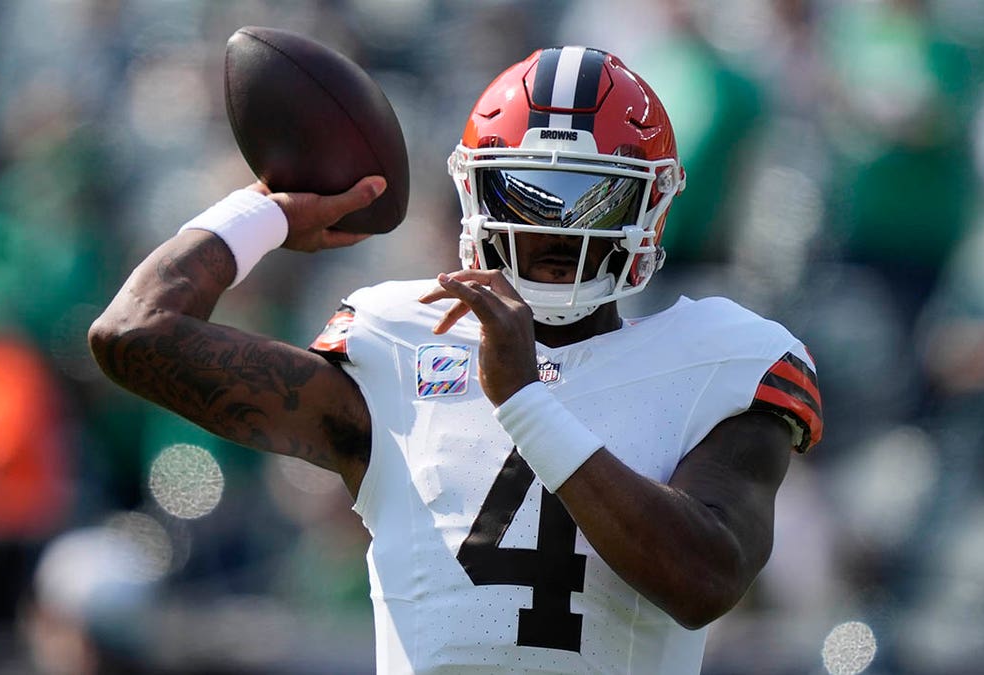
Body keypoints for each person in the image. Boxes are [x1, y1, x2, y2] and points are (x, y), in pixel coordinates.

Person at [89, 46, 823, 674]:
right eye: (529, 194)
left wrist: (525, 402)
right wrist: (266, 213)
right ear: (477, 192)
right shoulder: (398, 343)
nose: (559, 227)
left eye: (593, 199)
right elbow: (133, 334)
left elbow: (704, 580)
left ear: (649, 208)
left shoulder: (723, 358)